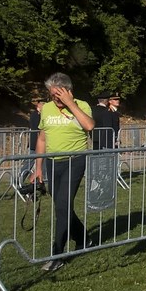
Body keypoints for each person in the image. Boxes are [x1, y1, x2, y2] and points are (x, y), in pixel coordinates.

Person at [31, 72, 95, 272]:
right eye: (51, 95)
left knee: (62, 205)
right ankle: (84, 240)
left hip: (74, 160)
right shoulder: (47, 109)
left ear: (68, 91)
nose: (54, 99)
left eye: (58, 95)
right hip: (52, 162)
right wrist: (38, 167)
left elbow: (89, 126)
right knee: (62, 205)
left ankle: (57, 254)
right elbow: (42, 138)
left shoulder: (82, 105)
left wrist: (70, 103)